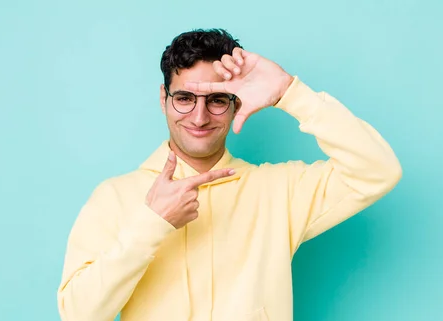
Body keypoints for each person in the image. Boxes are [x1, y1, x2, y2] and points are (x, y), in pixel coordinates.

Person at [56, 28, 402, 321]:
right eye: (185, 98)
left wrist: (290, 92)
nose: (199, 116)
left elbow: (378, 170)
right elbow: (78, 313)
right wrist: (152, 223)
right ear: (164, 98)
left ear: (237, 102)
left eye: (217, 99)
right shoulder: (114, 196)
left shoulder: (280, 190)